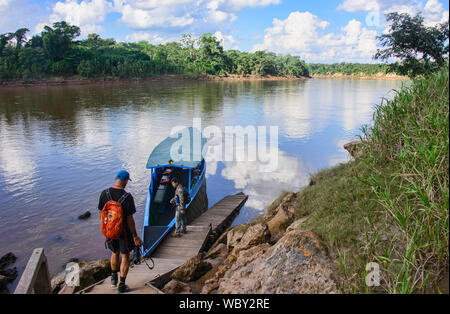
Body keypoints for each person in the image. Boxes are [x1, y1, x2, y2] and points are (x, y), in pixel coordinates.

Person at [98, 170, 142, 293]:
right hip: (124, 233)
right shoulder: (127, 197)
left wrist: (106, 229)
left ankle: (113, 278)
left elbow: (102, 214)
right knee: (125, 256)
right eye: (127, 181)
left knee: (114, 252)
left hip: (110, 231)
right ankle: (121, 285)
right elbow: (130, 220)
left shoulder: (104, 193)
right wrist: (135, 236)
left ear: (115, 178)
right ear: (125, 180)